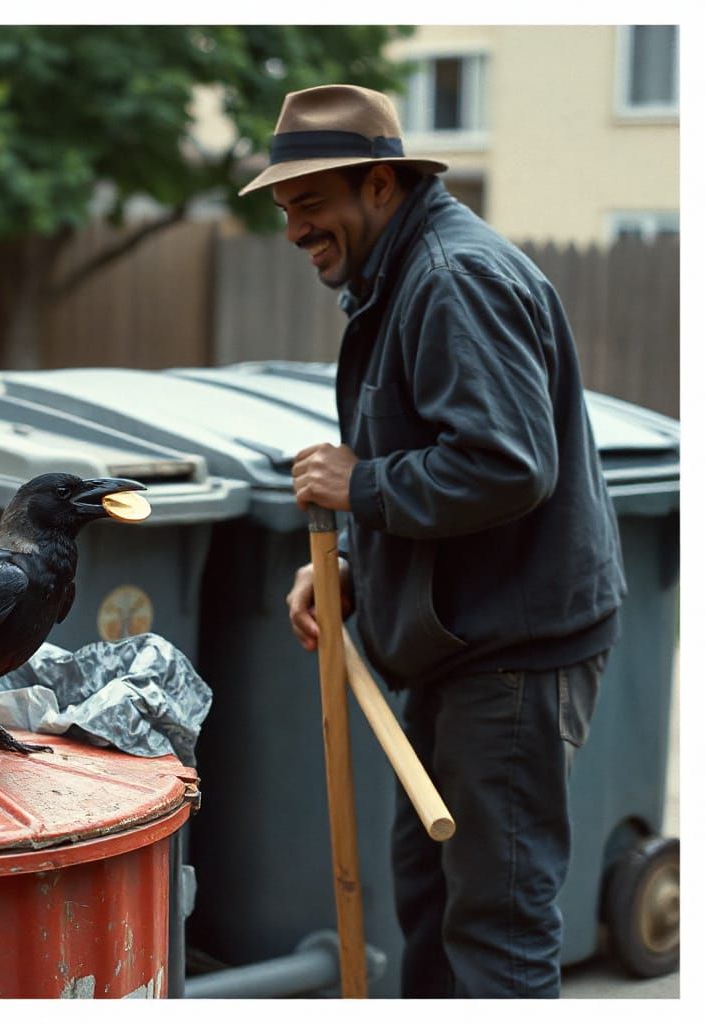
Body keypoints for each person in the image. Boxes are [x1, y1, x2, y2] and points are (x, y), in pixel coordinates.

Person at [239, 84, 626, 998]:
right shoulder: (401, 278)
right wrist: (348, 565)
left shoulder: (453, 279)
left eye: (309, 205)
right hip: (464, 646)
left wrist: (360, 485)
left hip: (512, 660)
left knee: (496, 931)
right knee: (434, 908)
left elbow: (505, 465)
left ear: (380, 185)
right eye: (286, 210)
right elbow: (441, 462)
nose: (294, 231)